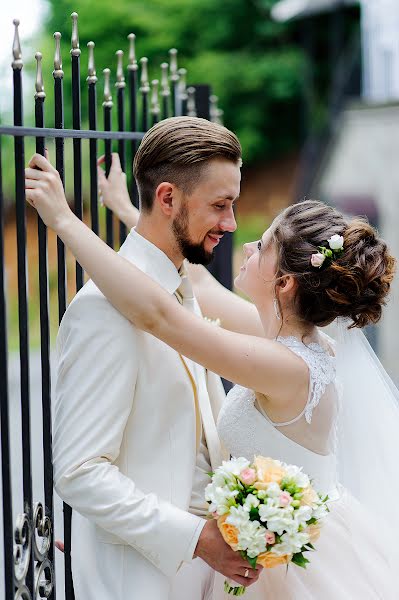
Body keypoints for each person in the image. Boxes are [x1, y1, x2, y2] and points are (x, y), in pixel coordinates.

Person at [25, 146, 399, 598]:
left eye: (263, 246)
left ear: (283, 283)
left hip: (294, 570)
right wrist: (132, 208)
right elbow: (193, 282)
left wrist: (63, 221)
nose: (244, 241)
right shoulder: (292, 340)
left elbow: (161, 316)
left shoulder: (285, 365)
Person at [27, 117, 264, 600]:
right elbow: (79, 471)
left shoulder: (180, 289)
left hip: (205, 577)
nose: (232, 223)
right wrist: (196, 539)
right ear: (168, 198)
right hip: (137, 580)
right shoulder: (101, 311)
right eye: (220, 205)